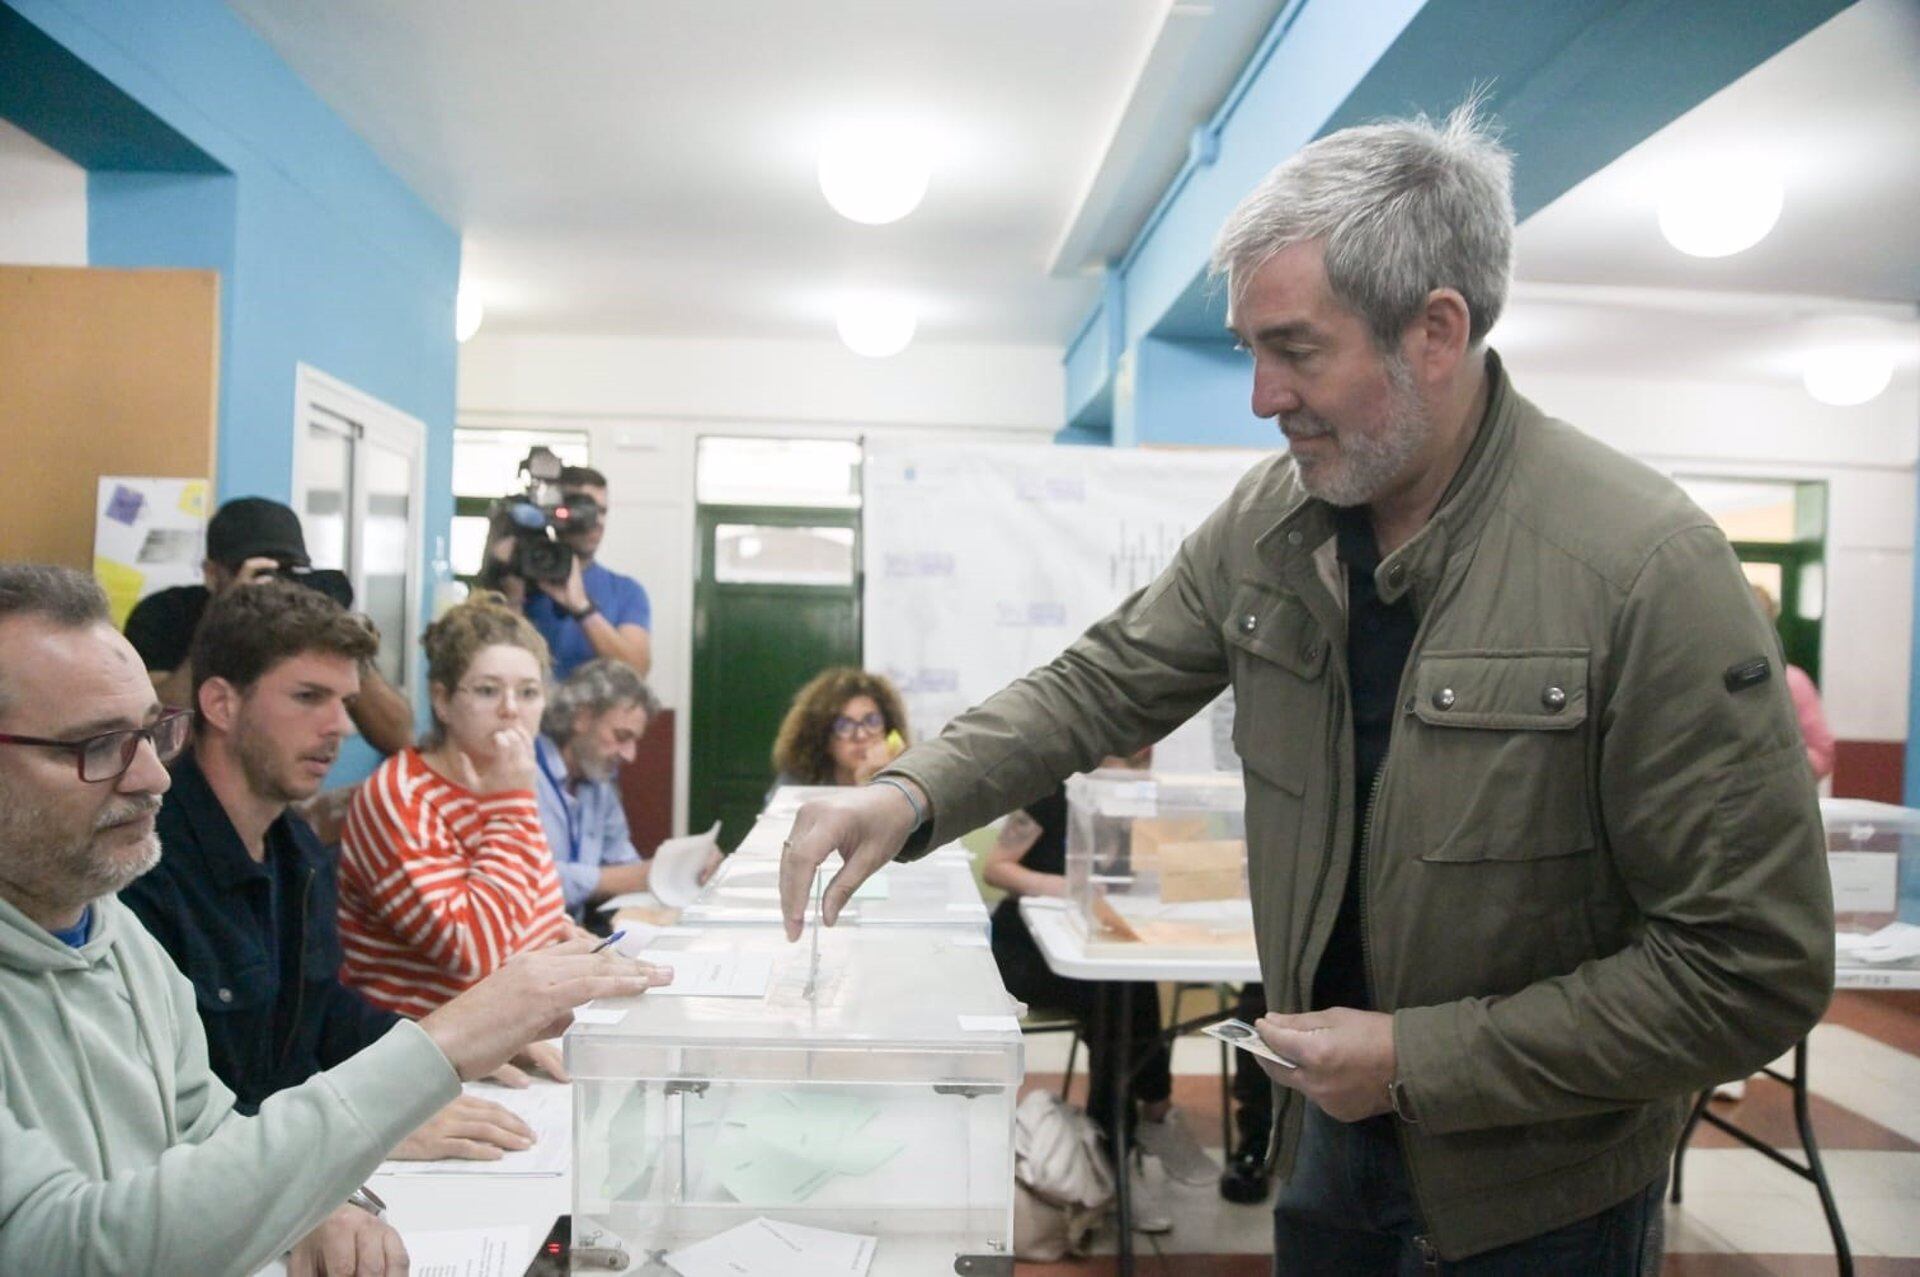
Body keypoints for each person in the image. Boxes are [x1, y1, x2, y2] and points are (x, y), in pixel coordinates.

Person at [780, 105, 1834, 1273]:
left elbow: (1751, 968)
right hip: (1326, 1144)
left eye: (1296, 349)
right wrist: (910, 791)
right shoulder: (1273, 523)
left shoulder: (1643, 569)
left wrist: (1416, 1060)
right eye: (1250, 350)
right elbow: (1102, 681)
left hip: (1537, 1202)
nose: (1260, 395)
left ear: (1435, 330)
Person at [0, 564, 669, 1275]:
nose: (152, 775)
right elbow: (63, 1245)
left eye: (151, 733)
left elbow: (213, 1119)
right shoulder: (146, 873)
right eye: (97, 745)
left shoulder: (126, 922)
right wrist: (425, 1062)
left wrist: (322, 1197)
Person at [122, 580, 551, 1163]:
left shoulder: (295, 849)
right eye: (308, 697)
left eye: (345, 701)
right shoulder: (146, 865)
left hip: (289, 1166)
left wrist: (447, 1050)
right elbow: (167, 1118)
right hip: (232, 1181)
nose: (341, 726)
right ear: (221, 704)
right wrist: (357, 1126)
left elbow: (323, 1016)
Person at [985, 757, 1218, 1204]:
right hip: (1025, 950)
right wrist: (1065, 886)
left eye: (1147, 754)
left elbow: (1151, 878)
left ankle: (1114, 1163)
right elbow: (996, 868)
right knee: (1119, 996)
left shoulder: (1143, 802)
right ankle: (1151, 1119)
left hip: (1094, 943)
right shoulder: (1053, 791)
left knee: (1121, 988)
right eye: (1130, 753)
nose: (1140, 759)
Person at [338, 595, 575, 1018]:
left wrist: (576, 945)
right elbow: (474, 953)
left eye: (528, 692)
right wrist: (512, 808)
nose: (510, 710)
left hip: (517, 1027)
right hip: (425, 1042)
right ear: (442, 701)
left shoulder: (508, 776)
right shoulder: (401, 795)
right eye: (487, 690)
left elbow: (536, 919)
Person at [123, 495, 414, 755]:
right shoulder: (164, 614)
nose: (271, 585)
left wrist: (337, 629)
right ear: (212, 574)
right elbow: (155, 732)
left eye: (285, 570)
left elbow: (397, 737)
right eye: (258, 571)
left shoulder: (307, 620)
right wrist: (223, 622)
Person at [536, 658, 660, 919]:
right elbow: (527, 881)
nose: (629, 756)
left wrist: (676, 870)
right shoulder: (521, 773)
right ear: (582, 718)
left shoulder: (599, 781)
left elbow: (624, 863)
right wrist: (610, 880)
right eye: (621, 737)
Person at [516, 465, 653, 679]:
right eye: (586, 509)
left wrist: (583, 609)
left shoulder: (626, 591)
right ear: (558, 510)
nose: (597, 521)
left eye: (602, 511)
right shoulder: (518, 579)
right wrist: (513, 594)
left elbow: (636, 672)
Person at [770, 667, 909, 788]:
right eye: (844, 726)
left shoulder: (906, 778)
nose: (861, 735)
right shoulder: (798, 781)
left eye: (872, 721)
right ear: (823, 738)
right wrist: (864, 782)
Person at [1752, 583, 1835, 782]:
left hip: (1779, 792)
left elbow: (1822, 755)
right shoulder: (1705, 678)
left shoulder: (1792, 681)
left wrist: (1774, 758)